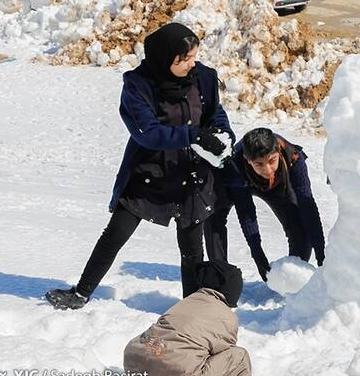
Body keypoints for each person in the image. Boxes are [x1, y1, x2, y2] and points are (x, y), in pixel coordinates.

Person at [45, 23, 235, 310]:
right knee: (115, 235)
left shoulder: (202, 78)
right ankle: (81, 293)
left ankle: (190, 310)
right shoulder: (139, 86)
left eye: (194, 56)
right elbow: (147, 132)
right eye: (184, 59)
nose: (192, 63)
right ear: (165, 58)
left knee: (192, 249)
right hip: (150, 174)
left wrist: (222, 133)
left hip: (190, 175)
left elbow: (214, 112)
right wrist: (192, 135)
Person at [124, 260, 255, 376]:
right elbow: (222, 354)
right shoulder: (227, 317)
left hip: (134, 367)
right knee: (239, 358)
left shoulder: (185, 302)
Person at [205, 128, 325, 282]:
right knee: (213, 216)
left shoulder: (294, 158)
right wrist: (258, 255)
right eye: (259, 164)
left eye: (272, 160)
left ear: (279, 152)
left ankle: (289, 277)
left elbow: (308, 206)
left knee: (300, 229)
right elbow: (246, 211)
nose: (267, 169)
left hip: (276, 186)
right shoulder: (235, 164)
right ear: (248, 160)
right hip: (240, 182)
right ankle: (219, 276)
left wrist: (321, 254)